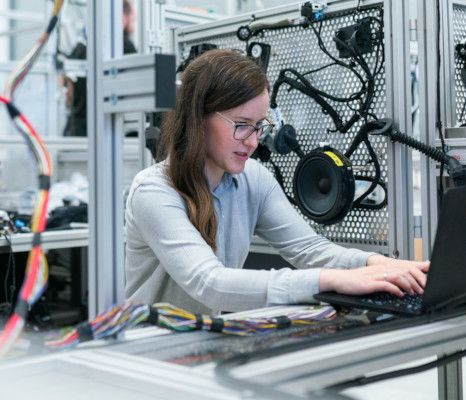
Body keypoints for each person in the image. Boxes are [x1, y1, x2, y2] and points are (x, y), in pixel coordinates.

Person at [124, 49, 429, 314]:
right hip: (149, 350)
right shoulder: (154, 191)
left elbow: (309, 249)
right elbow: (210, 283)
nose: (253, 141)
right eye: (242, 125)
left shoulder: (253, 179)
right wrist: (331, 280)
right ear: (198, 118)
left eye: (260, 126)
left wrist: (380, 264)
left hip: (203, 341)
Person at [62, 0, 137, 137]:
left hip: (76, 130)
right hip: (106, 130)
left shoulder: (81, 46)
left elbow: (66, 88)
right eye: (133, 19)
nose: (133, 24)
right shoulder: (124, 45)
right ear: (122, 17)